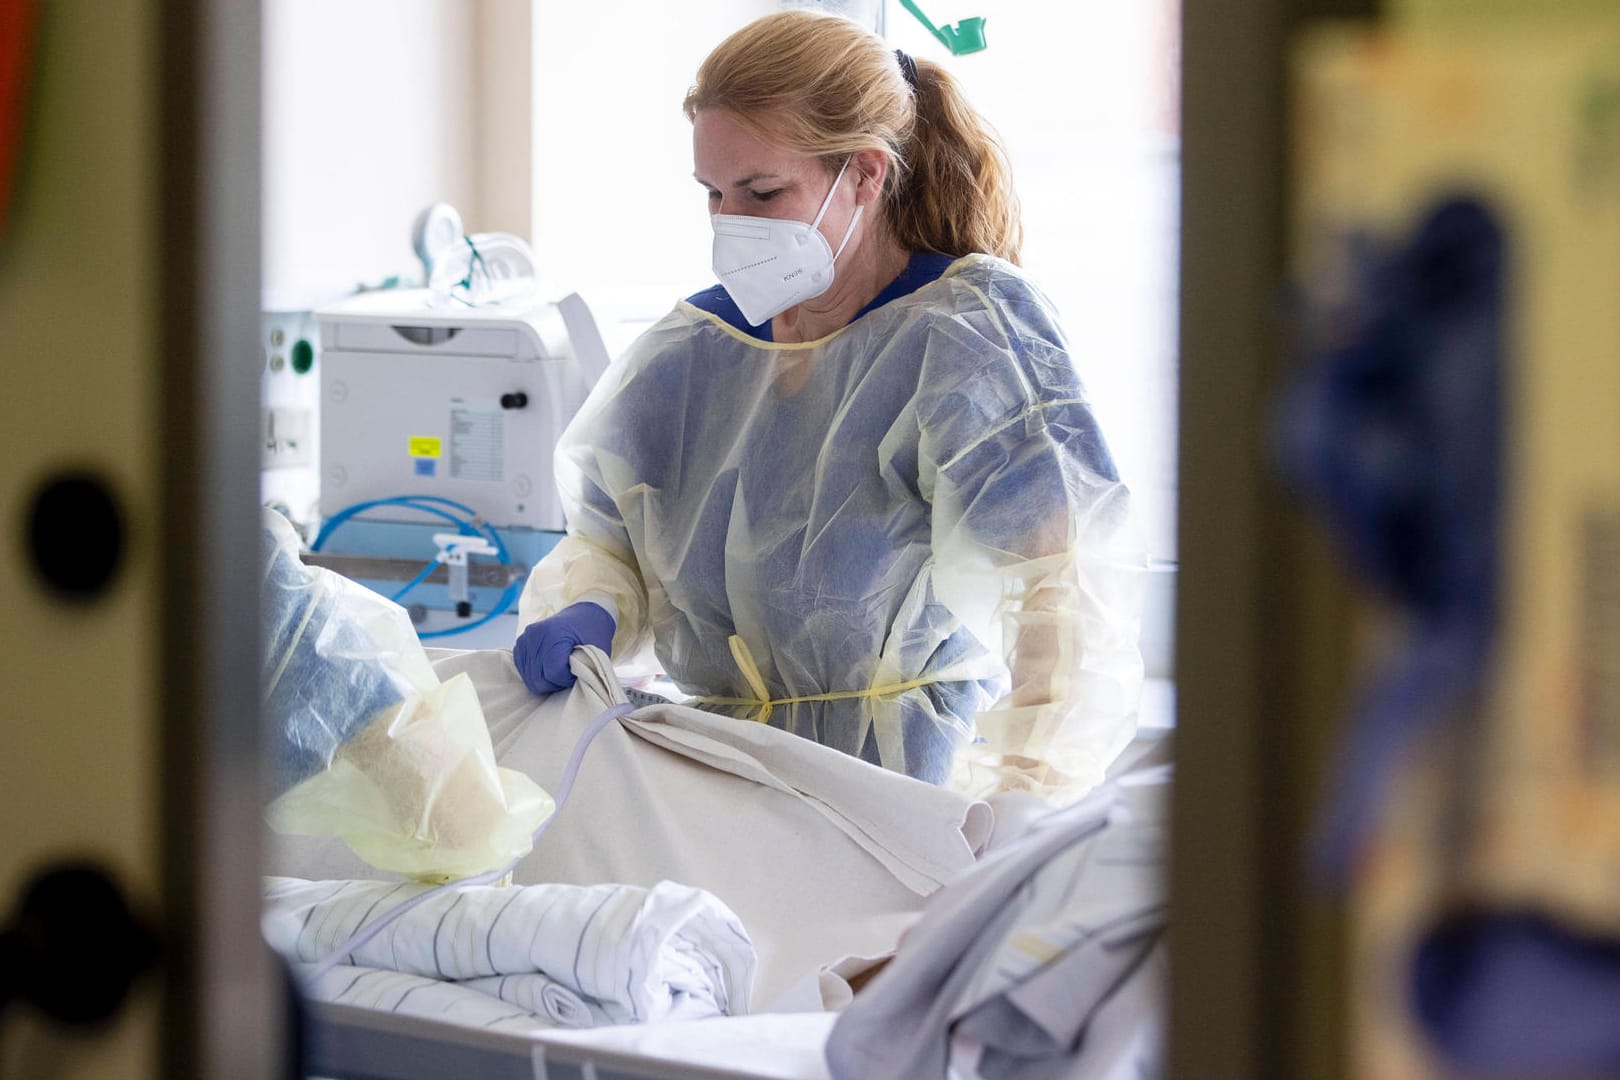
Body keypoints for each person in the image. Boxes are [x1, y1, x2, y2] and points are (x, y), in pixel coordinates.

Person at [513, 9, 1143, 802]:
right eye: (712, 193)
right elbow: (612, 548)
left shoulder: (964, 340)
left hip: (901, 806)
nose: (730, 223)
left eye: (762, 190)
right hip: (718, 794)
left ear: (867, 175)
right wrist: (592, 609)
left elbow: (1067, 595)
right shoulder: (691, 355)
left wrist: (1019, 802)